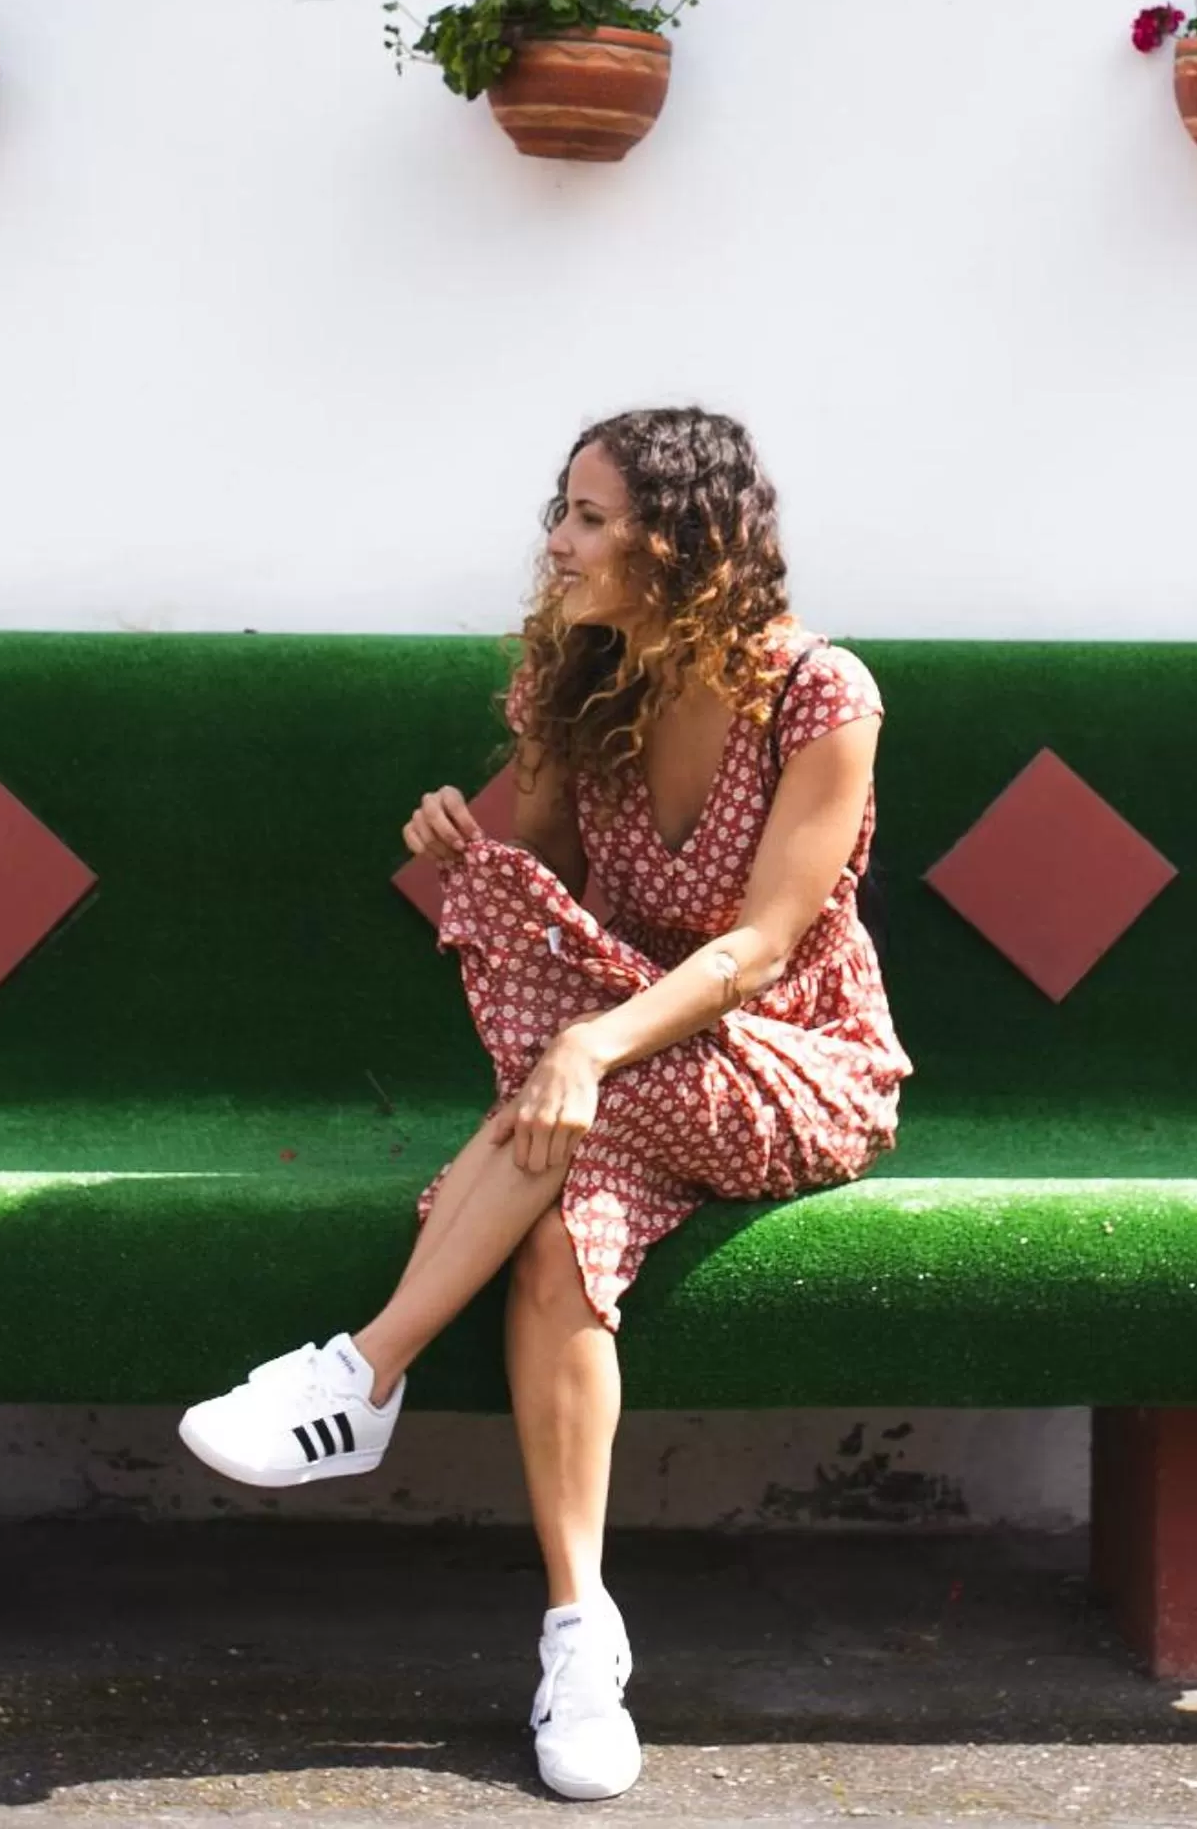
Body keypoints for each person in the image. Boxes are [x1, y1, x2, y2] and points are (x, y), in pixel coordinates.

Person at [179, 406, 910, 1801]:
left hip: (795, 1061)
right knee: (560, 1228)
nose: (558, 541)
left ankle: (363, 1373)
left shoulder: (822, 695)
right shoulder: (582, 672)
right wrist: (471, 839)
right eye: (560, 512)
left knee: (579, 1099)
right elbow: (556, 877)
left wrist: (587, 1048)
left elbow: (762, 947)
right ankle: (582, 1641)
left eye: (588, 517)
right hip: (624, 1057)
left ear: (679, 538)